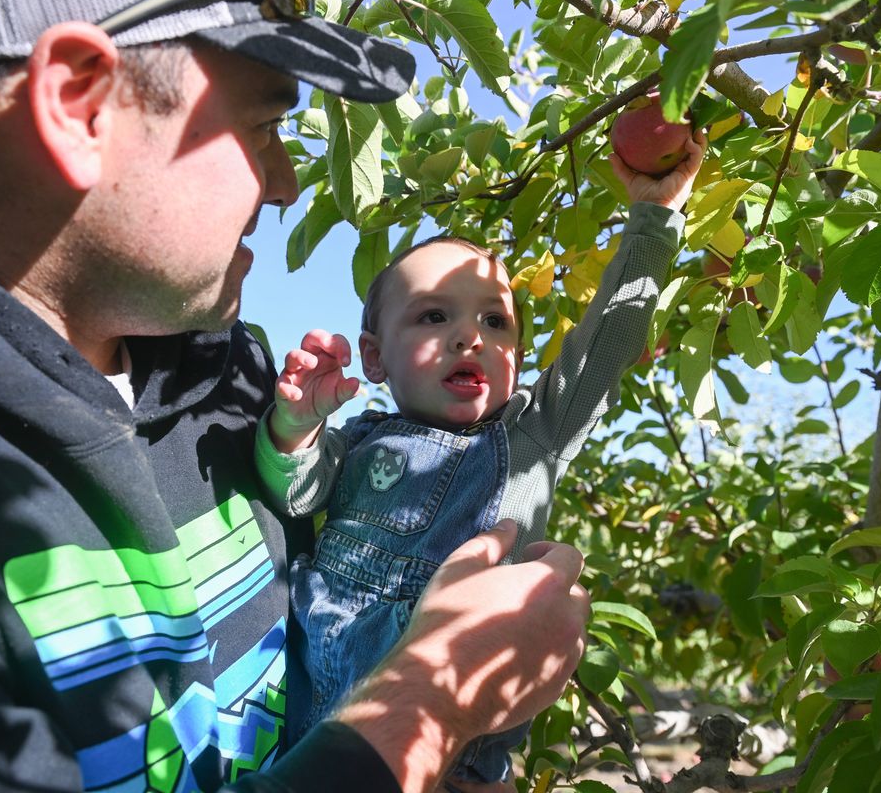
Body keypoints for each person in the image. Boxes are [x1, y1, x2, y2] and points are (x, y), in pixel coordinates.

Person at [0, 0, 591, 791]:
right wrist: (426, 711)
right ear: (80, 105)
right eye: (263, 127)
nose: (288, 183)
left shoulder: (232, 380)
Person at [255, 139, 706, 791]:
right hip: (313, 747)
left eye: (496, 321)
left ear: (517, 358)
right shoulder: (357, 441)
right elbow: (295, 494)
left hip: (451, 760)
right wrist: (295, 427)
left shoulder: (533, 441)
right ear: (375, 360)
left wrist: (655, 220)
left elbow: (608, 343)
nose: (472, 337)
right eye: (434, 316)